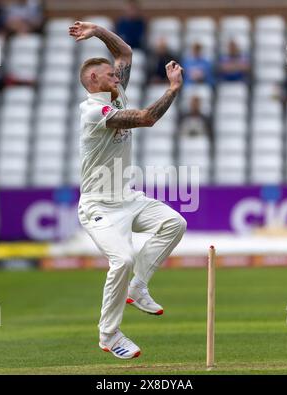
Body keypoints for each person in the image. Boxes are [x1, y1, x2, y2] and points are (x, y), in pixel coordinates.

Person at [69, 21, 186, 360]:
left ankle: (139, 286)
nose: (116, 77)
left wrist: (97, 29)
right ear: (93, 81)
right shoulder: (94, 111)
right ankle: (109, 335)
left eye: (115, 74)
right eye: (109, 75)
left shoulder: (116, 94)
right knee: (122, 258)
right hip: (98, 205)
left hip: (127, 197)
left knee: (174, 224)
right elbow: (148, 118)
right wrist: (173, 89)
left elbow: (124, 52)